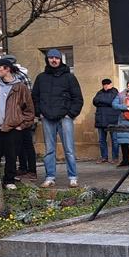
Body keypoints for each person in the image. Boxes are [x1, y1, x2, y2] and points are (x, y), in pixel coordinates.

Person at [32, 48, 83, 188]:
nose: (54, 60)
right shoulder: (41, 78)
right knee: (49, 149)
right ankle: (50, 177)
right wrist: (39, 113)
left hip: (64, 117)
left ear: (60, 60)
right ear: (47, 59)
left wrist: (70, 114)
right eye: (51, 58)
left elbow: (78, 98)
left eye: (57, 58)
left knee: (69, 149)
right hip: (47, 117)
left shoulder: (69, 77)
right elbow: (34, 98)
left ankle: (73, 177)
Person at [0, 58, 35, 190]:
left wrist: (22, 125)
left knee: (11, 155)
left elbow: (29, 110)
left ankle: (9, 180)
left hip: (13, 127)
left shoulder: (20, 87)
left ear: (7, 69)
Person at [0, 54, 38, 181]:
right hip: (17, 117)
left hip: (22, 117)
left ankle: (31, 170)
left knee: (26, 144)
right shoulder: (20, 75)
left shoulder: (19, 77)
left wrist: (23, 119)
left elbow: (27, 98)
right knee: (20, 145)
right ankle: (23, 168)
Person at [92, 78, 120, 163]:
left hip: (112, 119)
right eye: (104, 84)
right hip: (101, 119)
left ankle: (115, 157)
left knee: (114, 139)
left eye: (107, 84)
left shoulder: (115, 92)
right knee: (101, 140)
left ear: (111, 84)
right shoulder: (99, 92)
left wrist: (102, 101)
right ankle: (104, 157)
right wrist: (106, 102)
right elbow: (95, 101)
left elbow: (112, 102)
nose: (106, 86)